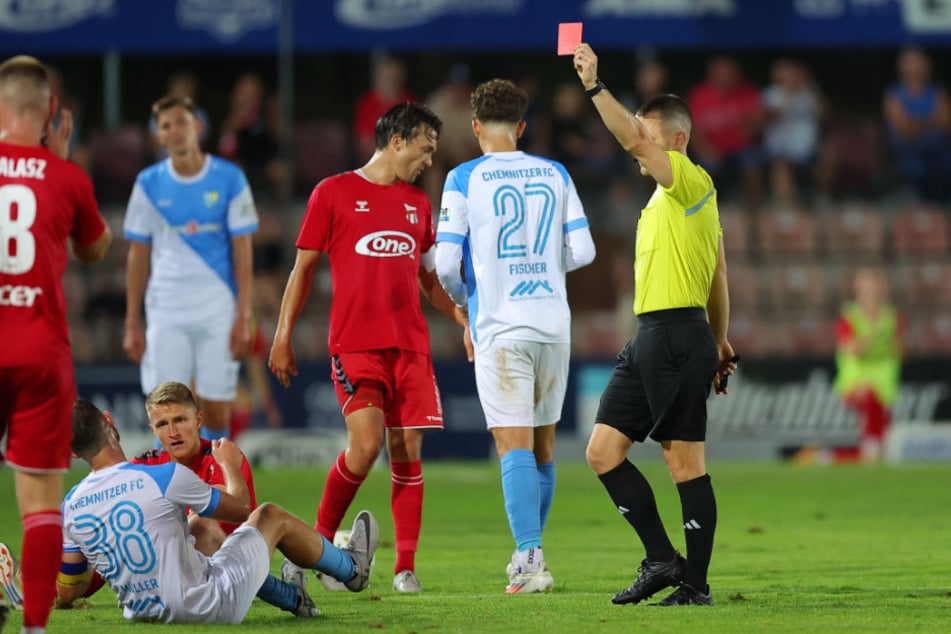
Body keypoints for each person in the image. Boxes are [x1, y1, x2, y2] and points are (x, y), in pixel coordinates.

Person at [269, 102, 468, 594]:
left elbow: (428, 279)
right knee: (365, 445)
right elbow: (303, 271)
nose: (429, 160)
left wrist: (465, 317)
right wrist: (281, 335)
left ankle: (405, 569)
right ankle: (312, 546)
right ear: (397, 140)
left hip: (411, 348)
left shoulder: (418, 204)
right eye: (425, 149)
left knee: (408, 450)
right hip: (356, 345)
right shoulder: (332, 193)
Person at [572, 44, 737, 607]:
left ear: (677, 141)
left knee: (683, 462)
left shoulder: (690, 182)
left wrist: (595, 87)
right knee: (602, 451)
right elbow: (717, 277)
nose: (636, 143)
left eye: (647, 134)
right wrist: (719, 339)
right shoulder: (668, 205)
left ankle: (696, 585)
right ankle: (663, 559)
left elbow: (632, 137)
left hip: (673, 335)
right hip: (656, 336)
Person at [434, 79, 596, 594]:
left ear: (476, 126)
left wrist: (464, 302)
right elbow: (584, 251)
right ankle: (530, 553)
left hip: (501, 327)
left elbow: (444, 263)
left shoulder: (462, 178)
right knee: (543, 449)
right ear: (523, 127)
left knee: (512, 447)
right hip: (553, 324)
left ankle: (530, 561)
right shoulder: (556, 172)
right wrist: (548, 266)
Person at [57, 399, 379, 624]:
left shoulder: (71, 505)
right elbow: (241, 509)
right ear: (110, 422)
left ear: (72, 453)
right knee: (269, 516)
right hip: (206, 606)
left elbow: (69, 589)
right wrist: (230, 466)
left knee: (201, 532)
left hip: (144, 615)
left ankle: (294, 597)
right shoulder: (162, 475)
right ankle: (351, 569)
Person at [0, 54, 112, 633]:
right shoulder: (66, 177)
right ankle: (35, 629)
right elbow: (94, 248)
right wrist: (59, 169)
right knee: (40, 501)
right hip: (41, 352)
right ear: (49, 110)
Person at [123, 95, 258, 441]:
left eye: (181, 122)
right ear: (159, 137)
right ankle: (170, 494)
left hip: (217, 308)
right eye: (166, 126)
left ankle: (217, 488)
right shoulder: (148, 184)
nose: (175, 131)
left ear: (197, 126)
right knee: (166, 409)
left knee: (214, 408)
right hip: (166, 309)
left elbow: (243, 251)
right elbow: (137, 255)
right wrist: (131, 321)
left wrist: (244, 315)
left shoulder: (229, 178)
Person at [833, 268, 903, 463]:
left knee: (882, 424)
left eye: (874, 284)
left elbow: (899, 349)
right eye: (866, 285)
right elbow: (852, 350)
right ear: (857, 288)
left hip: (885, 382)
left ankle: (871, 456)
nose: (871, 290)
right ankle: (868, 453)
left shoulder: (891, 316)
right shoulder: (849, 316)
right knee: (869, 399)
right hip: (854, 380)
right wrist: (873, 333)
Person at [883, 47, 951, 202]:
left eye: (921, 65)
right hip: (908, 153)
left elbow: (946, 123)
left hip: (939, 152)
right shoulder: (895, 93)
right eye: (913, 65)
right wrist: (932, 121)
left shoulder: (937, 91)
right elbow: (904, 130)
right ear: (903, 69)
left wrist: (916, 122)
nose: (918, 69)